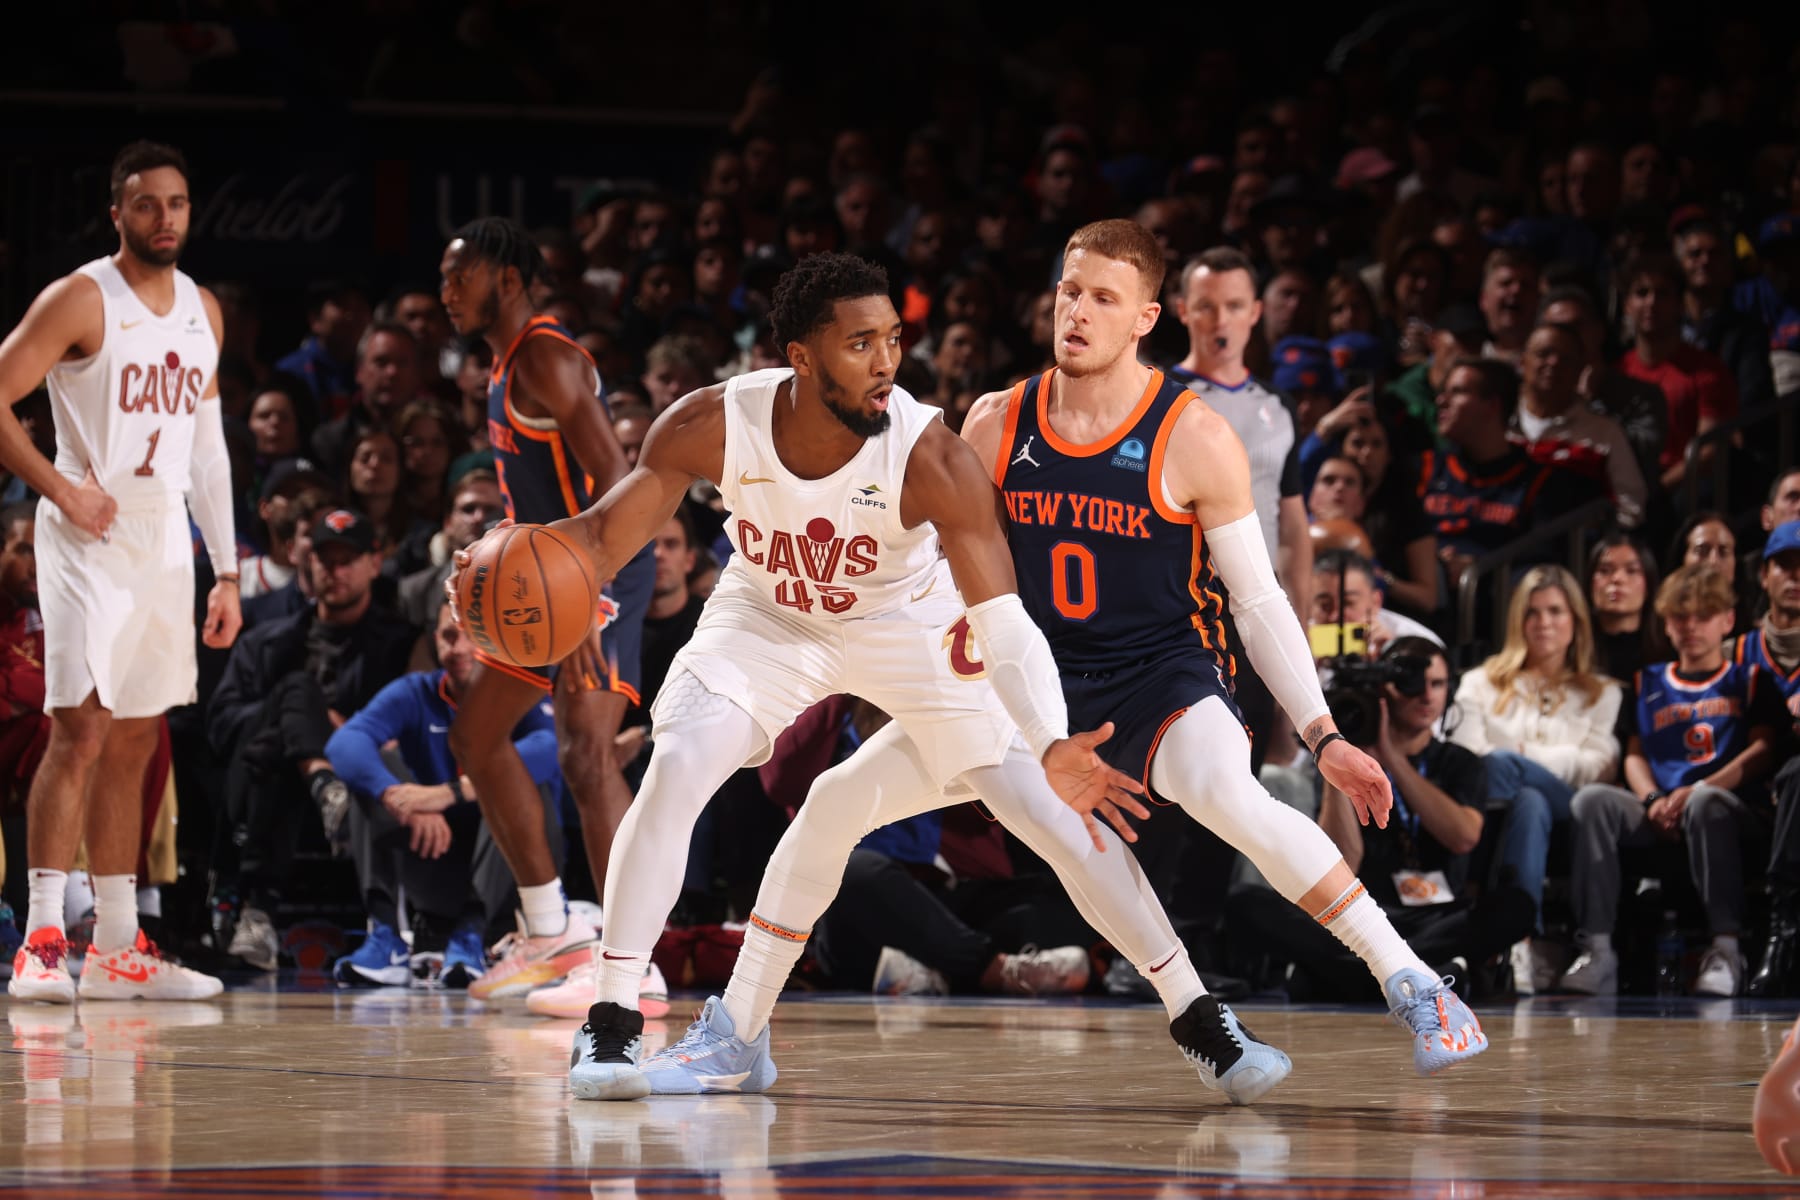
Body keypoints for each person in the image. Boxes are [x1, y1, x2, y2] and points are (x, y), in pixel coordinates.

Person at [614, 228, 1487, 1101]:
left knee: (1220, 793)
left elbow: (1257, 601)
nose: (1077, 310)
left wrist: (1323, 731)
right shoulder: (995, 421)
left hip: (1161, 674)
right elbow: (947, 561)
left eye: (1103, 298)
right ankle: (736, 1030)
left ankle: (1413, 981)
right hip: (1026, 681)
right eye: (1070, 290)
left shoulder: (1196, 436)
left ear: (1147, 318)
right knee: (833, 808)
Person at [456, 249, 1299, 1105]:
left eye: (893, 340)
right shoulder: (711, 422)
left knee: (1048, 810)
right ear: (800, 357)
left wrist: (1049, 739)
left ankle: (1198, 1014)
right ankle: (612, 1023)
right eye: (861, 344)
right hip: (771, 616)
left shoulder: (928, 453)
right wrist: (512, 570)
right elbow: (599, 538)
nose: (887, 362)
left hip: (910, 626)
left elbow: (1003, 619)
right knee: (676, 768)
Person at [0, 141, 238, 1003]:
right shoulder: (80, 296)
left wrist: (227, 572)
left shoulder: (204, 311)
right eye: (146, 204)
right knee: (81, 731)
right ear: (118, 214)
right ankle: (38, 944)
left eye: (176, 203)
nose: (164, 218)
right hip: (86, 534)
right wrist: (61, 488)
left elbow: (208, 452)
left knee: (139, 738)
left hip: (164, 539)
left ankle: (117, 947)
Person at [436, 218, 655, 1002]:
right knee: (476, 732)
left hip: (604, 571)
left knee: (587, 759)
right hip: (551, 577)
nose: (446, 293)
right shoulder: (503, 362)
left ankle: (632, 964)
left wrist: (588, 610)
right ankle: (553, 930)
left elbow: (623, 482)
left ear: (505, 274)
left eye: (459, 276)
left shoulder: (543, 354)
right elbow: (540, 493)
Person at [1228, 639, 1533, 1002]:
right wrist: (1343, 768)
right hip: (1360, 916)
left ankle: (1357, 974)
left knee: (1516, 906)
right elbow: (1342, 862)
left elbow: (1464, 837)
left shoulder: (1461, 762)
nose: (1425, 696)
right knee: (1245, 903)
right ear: (1383, 692)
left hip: (1437, 917)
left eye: (1437, 684)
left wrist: (1393, 759)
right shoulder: (1343, 762)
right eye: (1412, 684)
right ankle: (1411, 972)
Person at [206, 509, 415, 967]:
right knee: (291, 701)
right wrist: (300, 724)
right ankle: (323, 787)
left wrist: (337, 734)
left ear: (374, 564)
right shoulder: (267, 641)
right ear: (306, 563)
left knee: (286, 726)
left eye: (347, 560)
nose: (333, 571)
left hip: (362, 773)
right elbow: (221, 725)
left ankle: (258, 911)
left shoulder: (399, 642)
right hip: (256, 774)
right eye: (324, 559)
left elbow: (413, 722)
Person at [1562, 567, 1783, 997]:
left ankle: (1726, 948)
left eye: (1703, 616)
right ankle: (1599, 949)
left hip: (1729, 811)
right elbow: (1635, 755)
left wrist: (1700, 789)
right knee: (1593, 801)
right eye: (1680, 617)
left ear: (1727, 620)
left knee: (1707, 804)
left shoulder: (1749, 679)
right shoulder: (1648, 682)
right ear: (1665, 623)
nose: (1691, 627)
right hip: (1662, 808)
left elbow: (1762, 752)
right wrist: (1651, 799)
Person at [323, 599, 558, 991]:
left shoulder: (521, 692)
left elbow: (548, 750)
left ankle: (473, 936)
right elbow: (344, 743)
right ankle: (386, 937)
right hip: (431, 850)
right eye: (450, 635)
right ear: (436, 641)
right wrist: (399, 799)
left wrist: (449, 794)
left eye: (473, 636)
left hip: (505, 872)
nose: (460, 648)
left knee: (523, 785)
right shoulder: (416, 691)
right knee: (372, 769)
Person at [1168, 247, 1310, 769]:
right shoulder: (1158, 394)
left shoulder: (1278, 406)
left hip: (1258, 606)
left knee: (1244, 774)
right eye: (1206, 306)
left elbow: (1292, 526)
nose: (1219, 320)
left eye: (1234, 305)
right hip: (1184, 608)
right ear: (1182, 309)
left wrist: (1302, 623)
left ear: (1255, 312)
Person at [1448, 565, 1622, 993]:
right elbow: (1467, 757)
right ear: (1517, 622)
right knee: (1527, 799)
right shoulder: (1480, 682)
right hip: (1515, 814)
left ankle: (1455, 900)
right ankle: (1521, 939)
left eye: (1556, 612)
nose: (1543, 623)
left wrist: (1522, 754)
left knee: (1507, 767)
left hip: (1573, 815)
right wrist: (1558, 757)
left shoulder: (1602, 691)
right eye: (1533, 613)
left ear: (1575, 621)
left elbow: (1597, 767)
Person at [1732, 523, 1800, 996]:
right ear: (1764, 574)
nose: (1795, 577)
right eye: (1785, 566)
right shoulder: (1732, 652)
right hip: (1748, 799)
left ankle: (1784, 933)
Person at [1587, 531, 1665, 684]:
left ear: (1648, 584)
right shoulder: (1572, 649)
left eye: (1631, 571)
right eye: (1605, 570)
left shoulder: (1668, 649)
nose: (1617, 579)